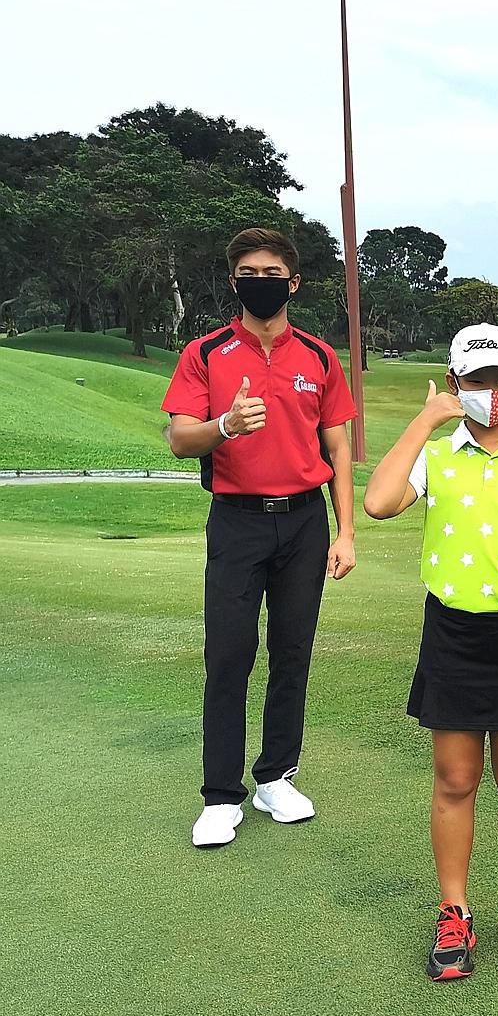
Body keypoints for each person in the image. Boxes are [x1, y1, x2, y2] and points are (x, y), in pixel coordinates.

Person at [363, 324, 498, 981]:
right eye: (476, 381)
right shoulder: (437, 457)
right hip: (453, 634)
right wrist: (424, 420)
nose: (492, 392)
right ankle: (454, 910)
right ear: (456, 385)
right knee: (455, 780)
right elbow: (377, 502)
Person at [162, 227, 357, 849]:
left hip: (304, 521)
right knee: (228, 654)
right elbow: (179, 437)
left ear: (293, 283)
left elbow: (337, 446)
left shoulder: (320, 357)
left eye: (273, 273)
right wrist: (224, 424)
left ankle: (276, 776)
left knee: (292, 652)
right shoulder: (207, 352)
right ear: (234, 281)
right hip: (238, 519)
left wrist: (345, 530)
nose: (261, 282)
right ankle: (221, 795)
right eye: (250, 272)